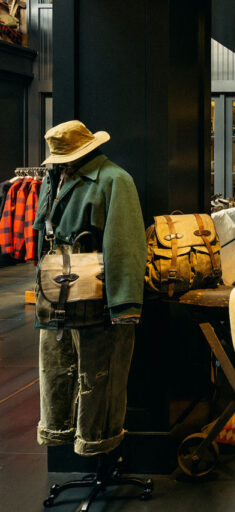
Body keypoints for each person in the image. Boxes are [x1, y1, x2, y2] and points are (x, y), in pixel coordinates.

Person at [33, 120, 146, 456]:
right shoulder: (53, 179)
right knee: (56, 368)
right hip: (56, 288)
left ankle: (97, 439)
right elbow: (44, 234)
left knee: (99, 373)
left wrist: (124, 306)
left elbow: (125, 244)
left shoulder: (114, 180)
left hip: (98, 292)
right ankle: (59, 430)